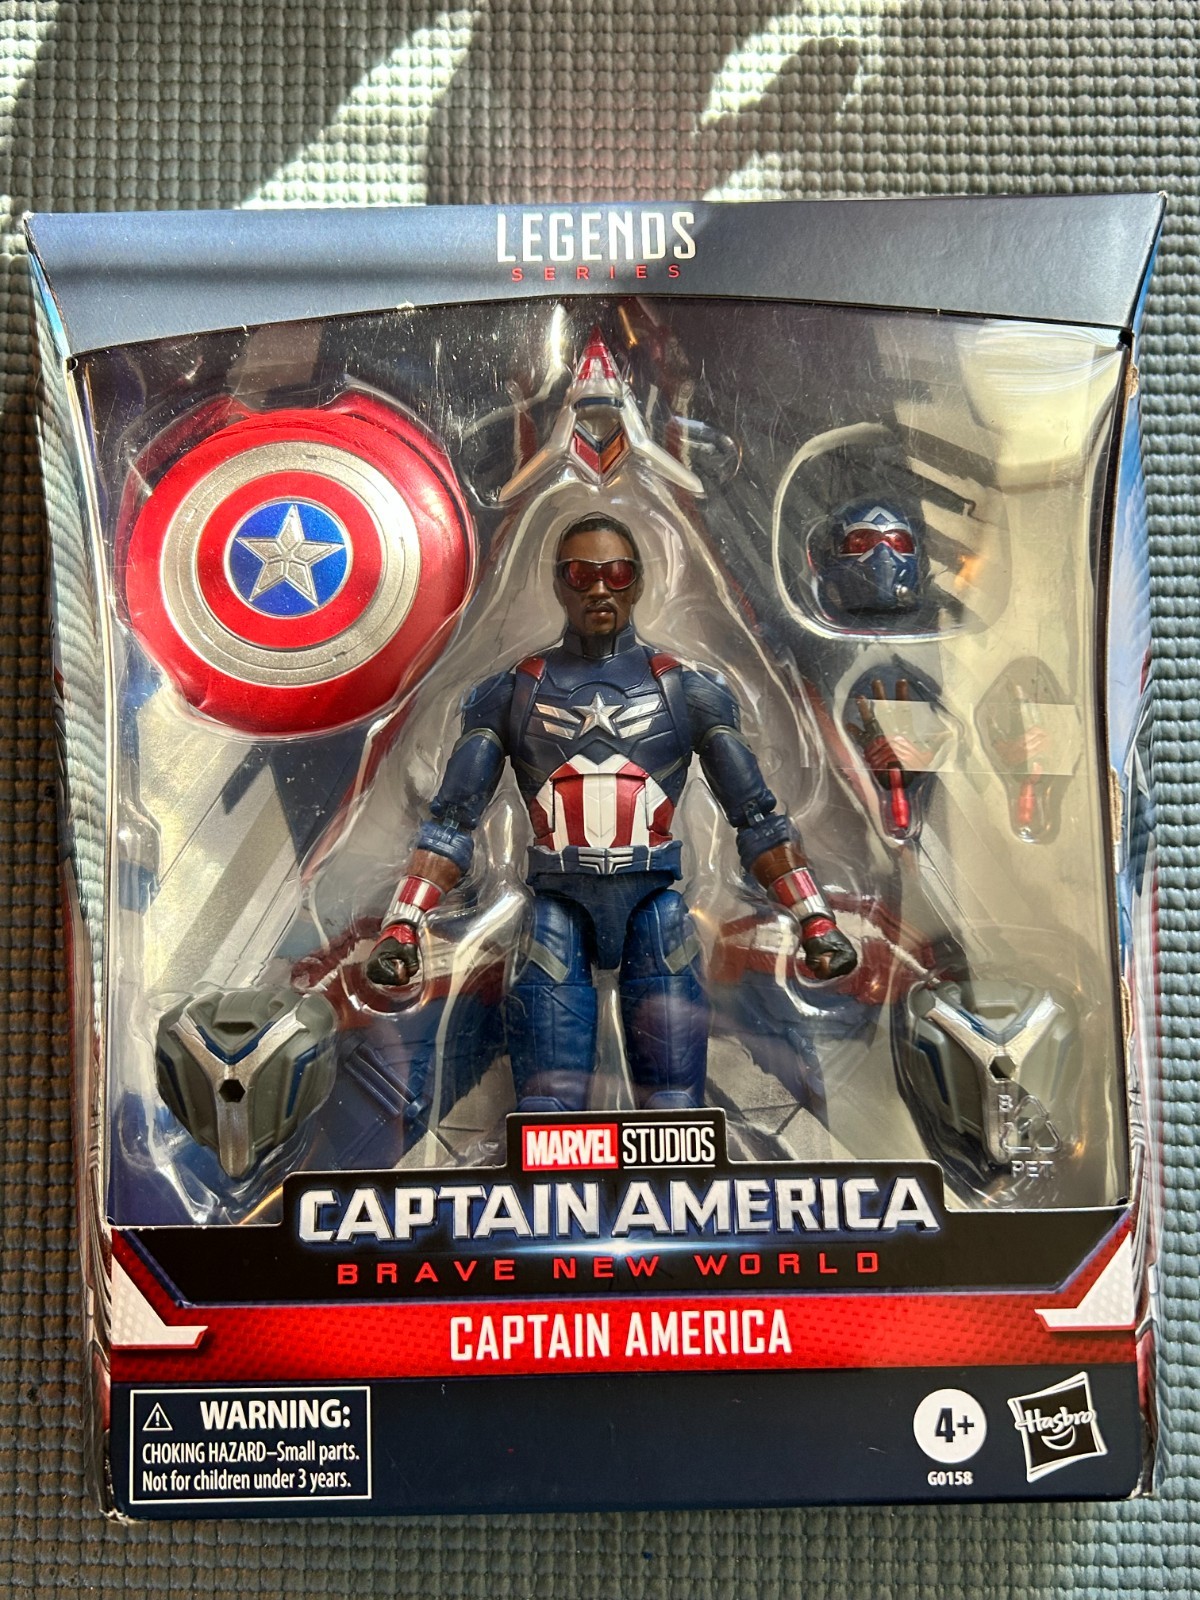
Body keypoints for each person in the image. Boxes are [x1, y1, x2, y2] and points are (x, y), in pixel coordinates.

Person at [366, 513, 856, 1112]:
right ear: (558, 583)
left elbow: (755, 816)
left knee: (674, 1110)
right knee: (548, 1111)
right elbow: (452, 820)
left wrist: (814, 919)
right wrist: (402, 925)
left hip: (654, 904)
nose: (600, 588)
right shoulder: (514, 692)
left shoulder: (686, 689)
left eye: (617, 573)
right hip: (558, 905)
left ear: (638, 581)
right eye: (582, 574)